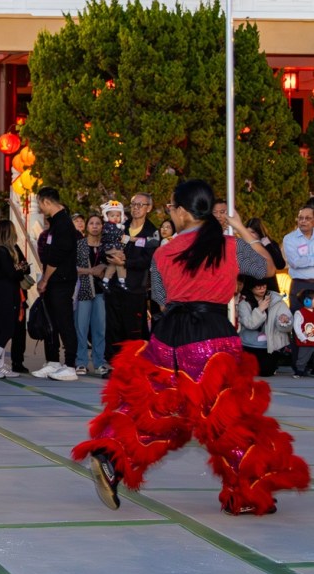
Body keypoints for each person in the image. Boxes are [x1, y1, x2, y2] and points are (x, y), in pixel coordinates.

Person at [75, 179, 307, 516]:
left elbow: (160, 296)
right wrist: (241, 227)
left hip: (168, 336)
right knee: (225, 418)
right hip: (210, 337)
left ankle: (111, 455)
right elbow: (268, 268)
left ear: (183, 213)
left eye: (171, 206)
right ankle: (246, 492)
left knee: (153, 405)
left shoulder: (164, 251)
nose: (170, 211)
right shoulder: (228, 246)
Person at [32, 187, 80, 380]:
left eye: (40, 204)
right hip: (53, 282)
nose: (40, 209)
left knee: (64, 322)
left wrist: (45, 279)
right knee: (50, 323)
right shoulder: (54, 224)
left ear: (47, 202)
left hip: (61, 281)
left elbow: (57, 256)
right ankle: (52, 361)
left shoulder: (64, 224)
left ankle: (70, 365)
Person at [105, 194, 158, 365]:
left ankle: (133, 364)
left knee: (133, 329)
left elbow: (148, 259)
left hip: (135, 288)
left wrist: (126, 262)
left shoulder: (152, 232)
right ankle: (114, 362)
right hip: (114, 286)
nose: (135, 208)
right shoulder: (121, 226)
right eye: (133, 204)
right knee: (113, 326)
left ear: (148, 208)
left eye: (140, 205)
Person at [0, 219, 28, 378]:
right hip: (4, 292)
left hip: (4, 291)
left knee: (3, 328)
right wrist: (20, 269)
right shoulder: (1, 251)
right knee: (6, 328)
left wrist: (19, 268)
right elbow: (13, 273)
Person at [74, 214, 109, 375]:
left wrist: (103, 270)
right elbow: (71, 267)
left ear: (102, 226)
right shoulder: (79, 245)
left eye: (98, 223)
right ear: (87, 227)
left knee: (100, 328)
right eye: (91, 223)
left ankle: (99, 362)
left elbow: (112, 265)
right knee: (81, 327)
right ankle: (81, 361)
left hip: (101, 292)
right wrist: (91, 271)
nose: (95, 226)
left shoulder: (106, 246)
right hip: (83, 291)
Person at [238, 277, 293, 378]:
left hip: (270, 345)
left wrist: (284, 321)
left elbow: (287, 325)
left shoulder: (277, 301)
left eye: (264, 286)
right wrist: (260, 309)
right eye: (258, 287)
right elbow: (250, 324)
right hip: (248, 344)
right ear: (251, 288)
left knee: (266, 372)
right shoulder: (244, 303)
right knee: (248, 372)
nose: (262, 289)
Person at [282, 206, 314, 303]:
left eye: (307, 218)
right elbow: (295, 263)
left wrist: (305, 259)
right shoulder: (289, 239)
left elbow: (300, 261)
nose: (303, 221)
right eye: (300, 218)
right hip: (301, 286)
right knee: (299, 317)